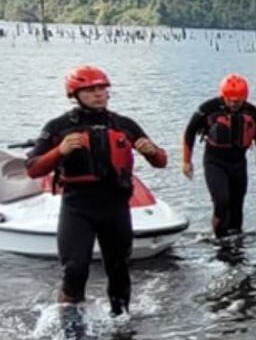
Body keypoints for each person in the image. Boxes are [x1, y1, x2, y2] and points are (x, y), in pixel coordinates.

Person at [25, 65, 168, 316]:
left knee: (119, 269)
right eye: (90, 90)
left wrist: (152, 152)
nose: (98, 94)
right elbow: (33, 169)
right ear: (75, 94)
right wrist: (60, 152)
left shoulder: (124, 125)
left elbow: (161, 162)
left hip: (115, 206)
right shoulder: (59, 128)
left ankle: (121, 320)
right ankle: (70, 326)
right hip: (78, 207)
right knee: (75, 269)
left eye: (102, 89)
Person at [182, 73, 256, 238]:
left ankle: (236, 244)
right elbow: (189, 132)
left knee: (237, 207)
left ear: (244, 97)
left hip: (238, 163)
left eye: (237, 101)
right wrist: (186, 162)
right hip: (215, 162)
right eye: (229, 99)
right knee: (221, 201)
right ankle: (218, 238)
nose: (233, 104)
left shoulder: (252, 111)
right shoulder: (208, 109)